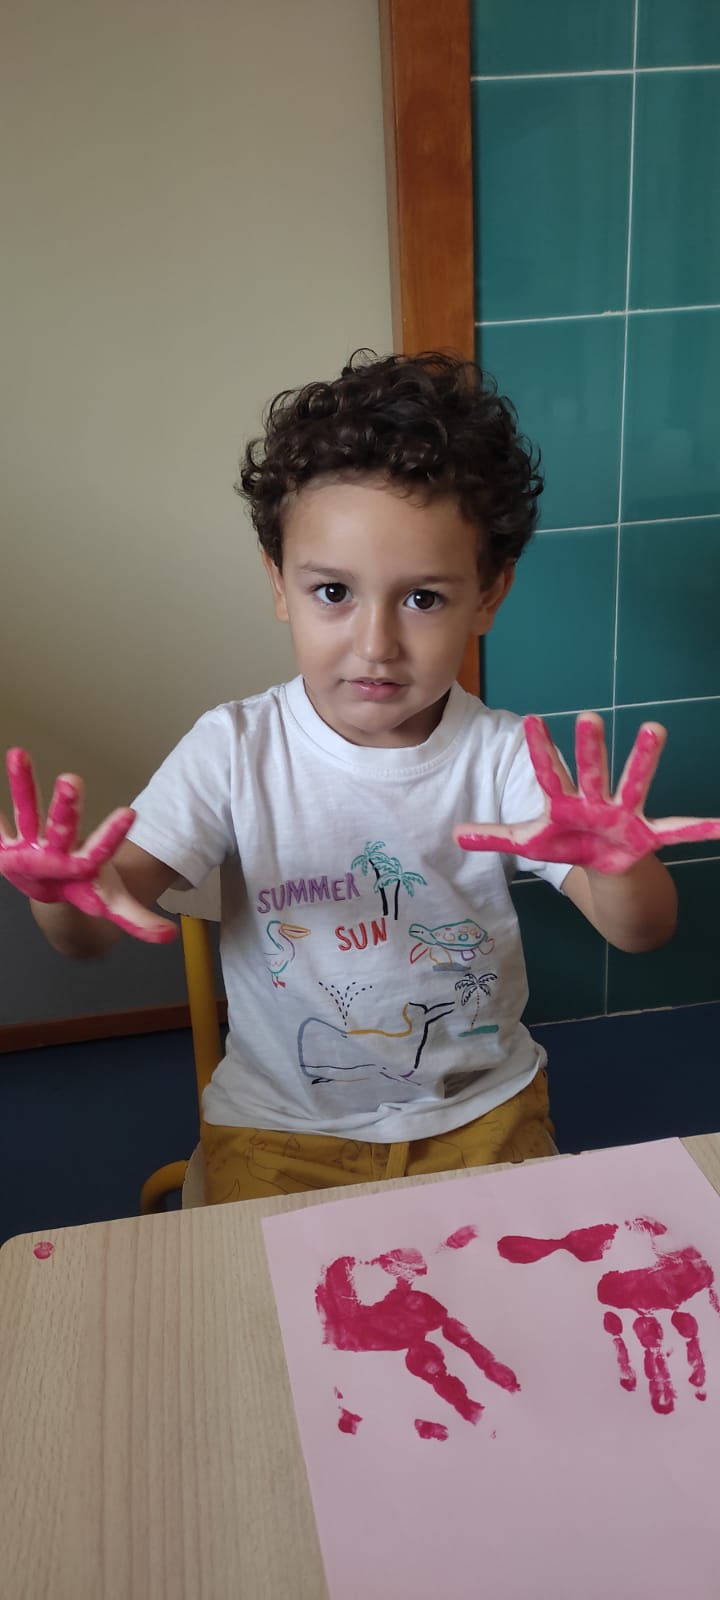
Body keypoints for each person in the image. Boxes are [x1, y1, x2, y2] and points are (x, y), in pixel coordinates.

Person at [2, 352, 716, 1205]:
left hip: (480, 1112)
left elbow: (642, 932)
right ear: (279, 585)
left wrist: (614, 866)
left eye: (422, 599)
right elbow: (92, 936)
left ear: (488, 596)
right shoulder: (234, 748)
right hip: (280, 1124)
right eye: (334, 591)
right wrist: (62, 893)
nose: (376, 644)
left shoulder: (504, 755)